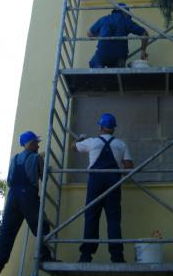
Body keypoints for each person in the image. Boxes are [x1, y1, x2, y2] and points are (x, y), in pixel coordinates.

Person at [71, 113, 134, 263]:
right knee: (113, 219)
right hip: (113, 182)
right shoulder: (121, 144)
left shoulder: (92, 142)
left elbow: (73, 147)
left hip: (95, 182)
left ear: (100, 127)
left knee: (91, 217)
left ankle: (86, 256)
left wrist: (80, 139)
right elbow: (129, 166)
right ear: (113, 129)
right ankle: (117, 256)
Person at [0, 131, 54, 276]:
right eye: (36, 143)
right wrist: (42, 163)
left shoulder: (15, 159)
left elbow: (9, 181)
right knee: (41, 226)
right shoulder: (37, 158)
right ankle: (45, 256)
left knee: (6, 234)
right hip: (28, 196)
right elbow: (44, 177)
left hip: (12, 197)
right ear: (30, 143)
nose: (38, 146)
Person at [88, 2, 149, 68]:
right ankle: (117, 71)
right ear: (124, 12)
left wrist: (102, 36)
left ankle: (99, 70)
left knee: (95, 64)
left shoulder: (104, 19)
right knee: (117, 71)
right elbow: (144, 34)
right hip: (119, 55)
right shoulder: (126, 21)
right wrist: (143, 51)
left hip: (103, 52)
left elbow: (89, 34)